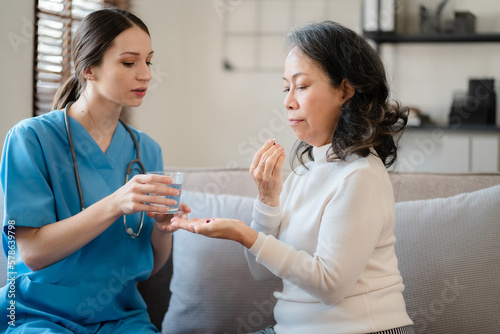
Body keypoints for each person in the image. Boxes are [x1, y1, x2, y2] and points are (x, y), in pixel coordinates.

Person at [171, 21, 414, 334]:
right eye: (286, 88)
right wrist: (267, 200)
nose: (288, 101)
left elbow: (329, 285)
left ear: (345, 90)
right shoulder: (307, 168)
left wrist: (245, 234)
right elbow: (260, 270)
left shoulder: (360, 175)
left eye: (302, 86)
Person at [0, 8, 189, 333]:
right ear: (89, 69)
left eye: (149, 61)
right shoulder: (31, 139)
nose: (145, 74)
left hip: (122, 318)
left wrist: (162, 228)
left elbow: (149, 267)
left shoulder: (147, 152)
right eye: (129, 62)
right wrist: (116, 203)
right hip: (39, 314)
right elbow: (30, 253)